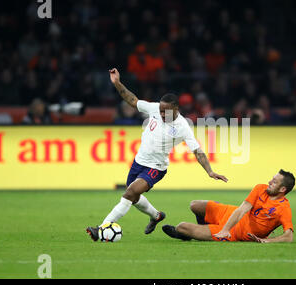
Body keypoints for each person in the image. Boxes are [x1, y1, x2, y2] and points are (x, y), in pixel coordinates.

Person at [86, 68, 228, 241]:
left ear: (176, 108)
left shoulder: (183, 126)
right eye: (160, 110)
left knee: (130, 192)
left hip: (156, 167)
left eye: (165, 111)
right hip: (139, 162)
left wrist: (210, 171)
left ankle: (101, 228)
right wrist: (117, 83)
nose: (161, 114)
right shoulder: (155, 109)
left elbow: (198, 151)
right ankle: (156, 216)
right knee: (134, 196)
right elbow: (132, 100)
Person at [162, 169, 295, 243]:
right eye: (271, 178)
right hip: (229, 214)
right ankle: (203, 231)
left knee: (181, 227)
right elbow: (242, 210)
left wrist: (267, 241)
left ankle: (189, 234)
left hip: (235, 233)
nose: (269, 182)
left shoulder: (283, 208)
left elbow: (288, 236)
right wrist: (225, 229)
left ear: (282, 189)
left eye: (274, 182)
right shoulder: (260, 188)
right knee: (195, 205)